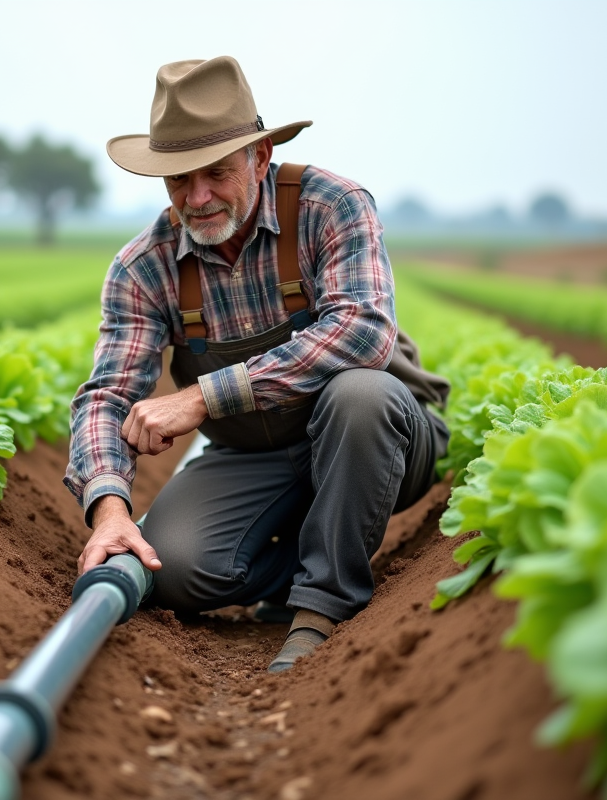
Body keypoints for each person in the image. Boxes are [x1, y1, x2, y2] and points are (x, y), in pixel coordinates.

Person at [65, 56, 450, 673]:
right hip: (258, 455)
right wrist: (109, 508)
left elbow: (363, 334)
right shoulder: (145, 266)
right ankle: (307, 557)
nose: (198, 197)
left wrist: (200, 398)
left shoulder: (332, 206)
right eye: (178, 181)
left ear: (261, 156)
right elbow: (107, 396)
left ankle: (323, 606)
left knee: (360, 395)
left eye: (216, 173)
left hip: (383, 436)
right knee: (174, 568)